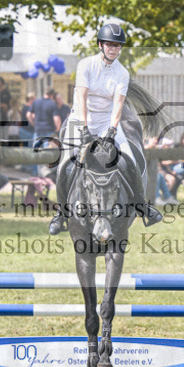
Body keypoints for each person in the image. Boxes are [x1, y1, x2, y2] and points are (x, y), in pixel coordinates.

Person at [48, 24, 162, 235]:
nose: (113, 49)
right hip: (80, 118)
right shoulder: (86, 65)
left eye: (117, 46)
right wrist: (84, 128)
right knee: (65, 164)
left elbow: (118, 105)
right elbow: (82, 97)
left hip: (106, 121)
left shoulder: (122, 73)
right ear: (101, 45)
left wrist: (111, 131)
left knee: (129, 158)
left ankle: (142, 206)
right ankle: (61, 214)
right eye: (109, 44)